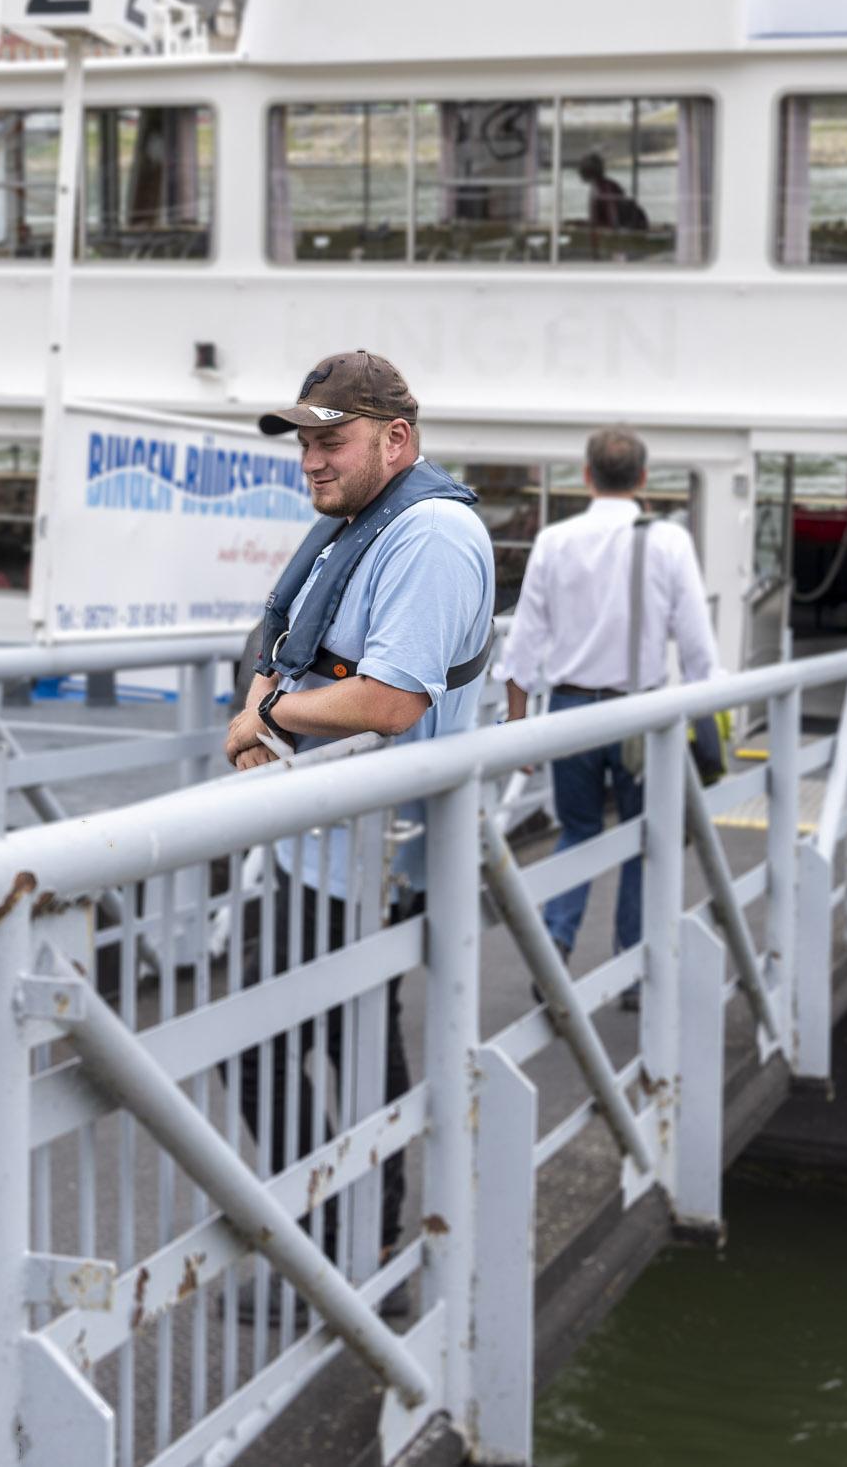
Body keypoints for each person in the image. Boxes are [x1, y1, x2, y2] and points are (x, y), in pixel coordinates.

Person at [225, 352, 496, 1269]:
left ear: (397, 438)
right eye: (304, 442)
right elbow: (288, 635)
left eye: (331, 440)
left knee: (271, 1042)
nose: (311, 460)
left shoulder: (428, 538)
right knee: (336, 1035)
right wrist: (264, 698)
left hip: (372, 857)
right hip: (329, 850)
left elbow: (387, 700)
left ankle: (346, 1226)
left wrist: (266, 714)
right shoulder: (359, 522)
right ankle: (358, 1223)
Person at [494, 427, 719, 981]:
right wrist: (707, 724)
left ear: (587, 476)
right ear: (643, 478)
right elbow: (698, 652)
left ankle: (554, 947)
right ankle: (631, 965)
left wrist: (519, 728)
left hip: (570, 715)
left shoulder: (555, 540)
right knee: (646, 838)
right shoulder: (669, 541)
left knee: (578, 830)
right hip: (641, 718)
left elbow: (523, 644)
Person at [577, 151, 650, 233]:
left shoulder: (603, 189)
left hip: (621, 229)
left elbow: (613, 219)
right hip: (620, 225)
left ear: (588, 171)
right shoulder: (607, 184)